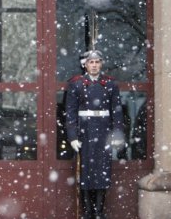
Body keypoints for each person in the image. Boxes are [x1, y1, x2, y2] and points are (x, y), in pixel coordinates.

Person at [65, 50, 124, 219]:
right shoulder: (76, 84)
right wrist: (73, 137)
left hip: (104, 131)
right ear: (85, 64)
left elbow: (117, 112)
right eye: (91, 62)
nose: (94, 65)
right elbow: (70, 113)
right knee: (85, 172)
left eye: (97, 62)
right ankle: (87, 211)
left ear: (101, 64)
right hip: (84, 131)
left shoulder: (110, 84)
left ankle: (99, 211)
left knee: (102, 172)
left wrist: (116, 134)